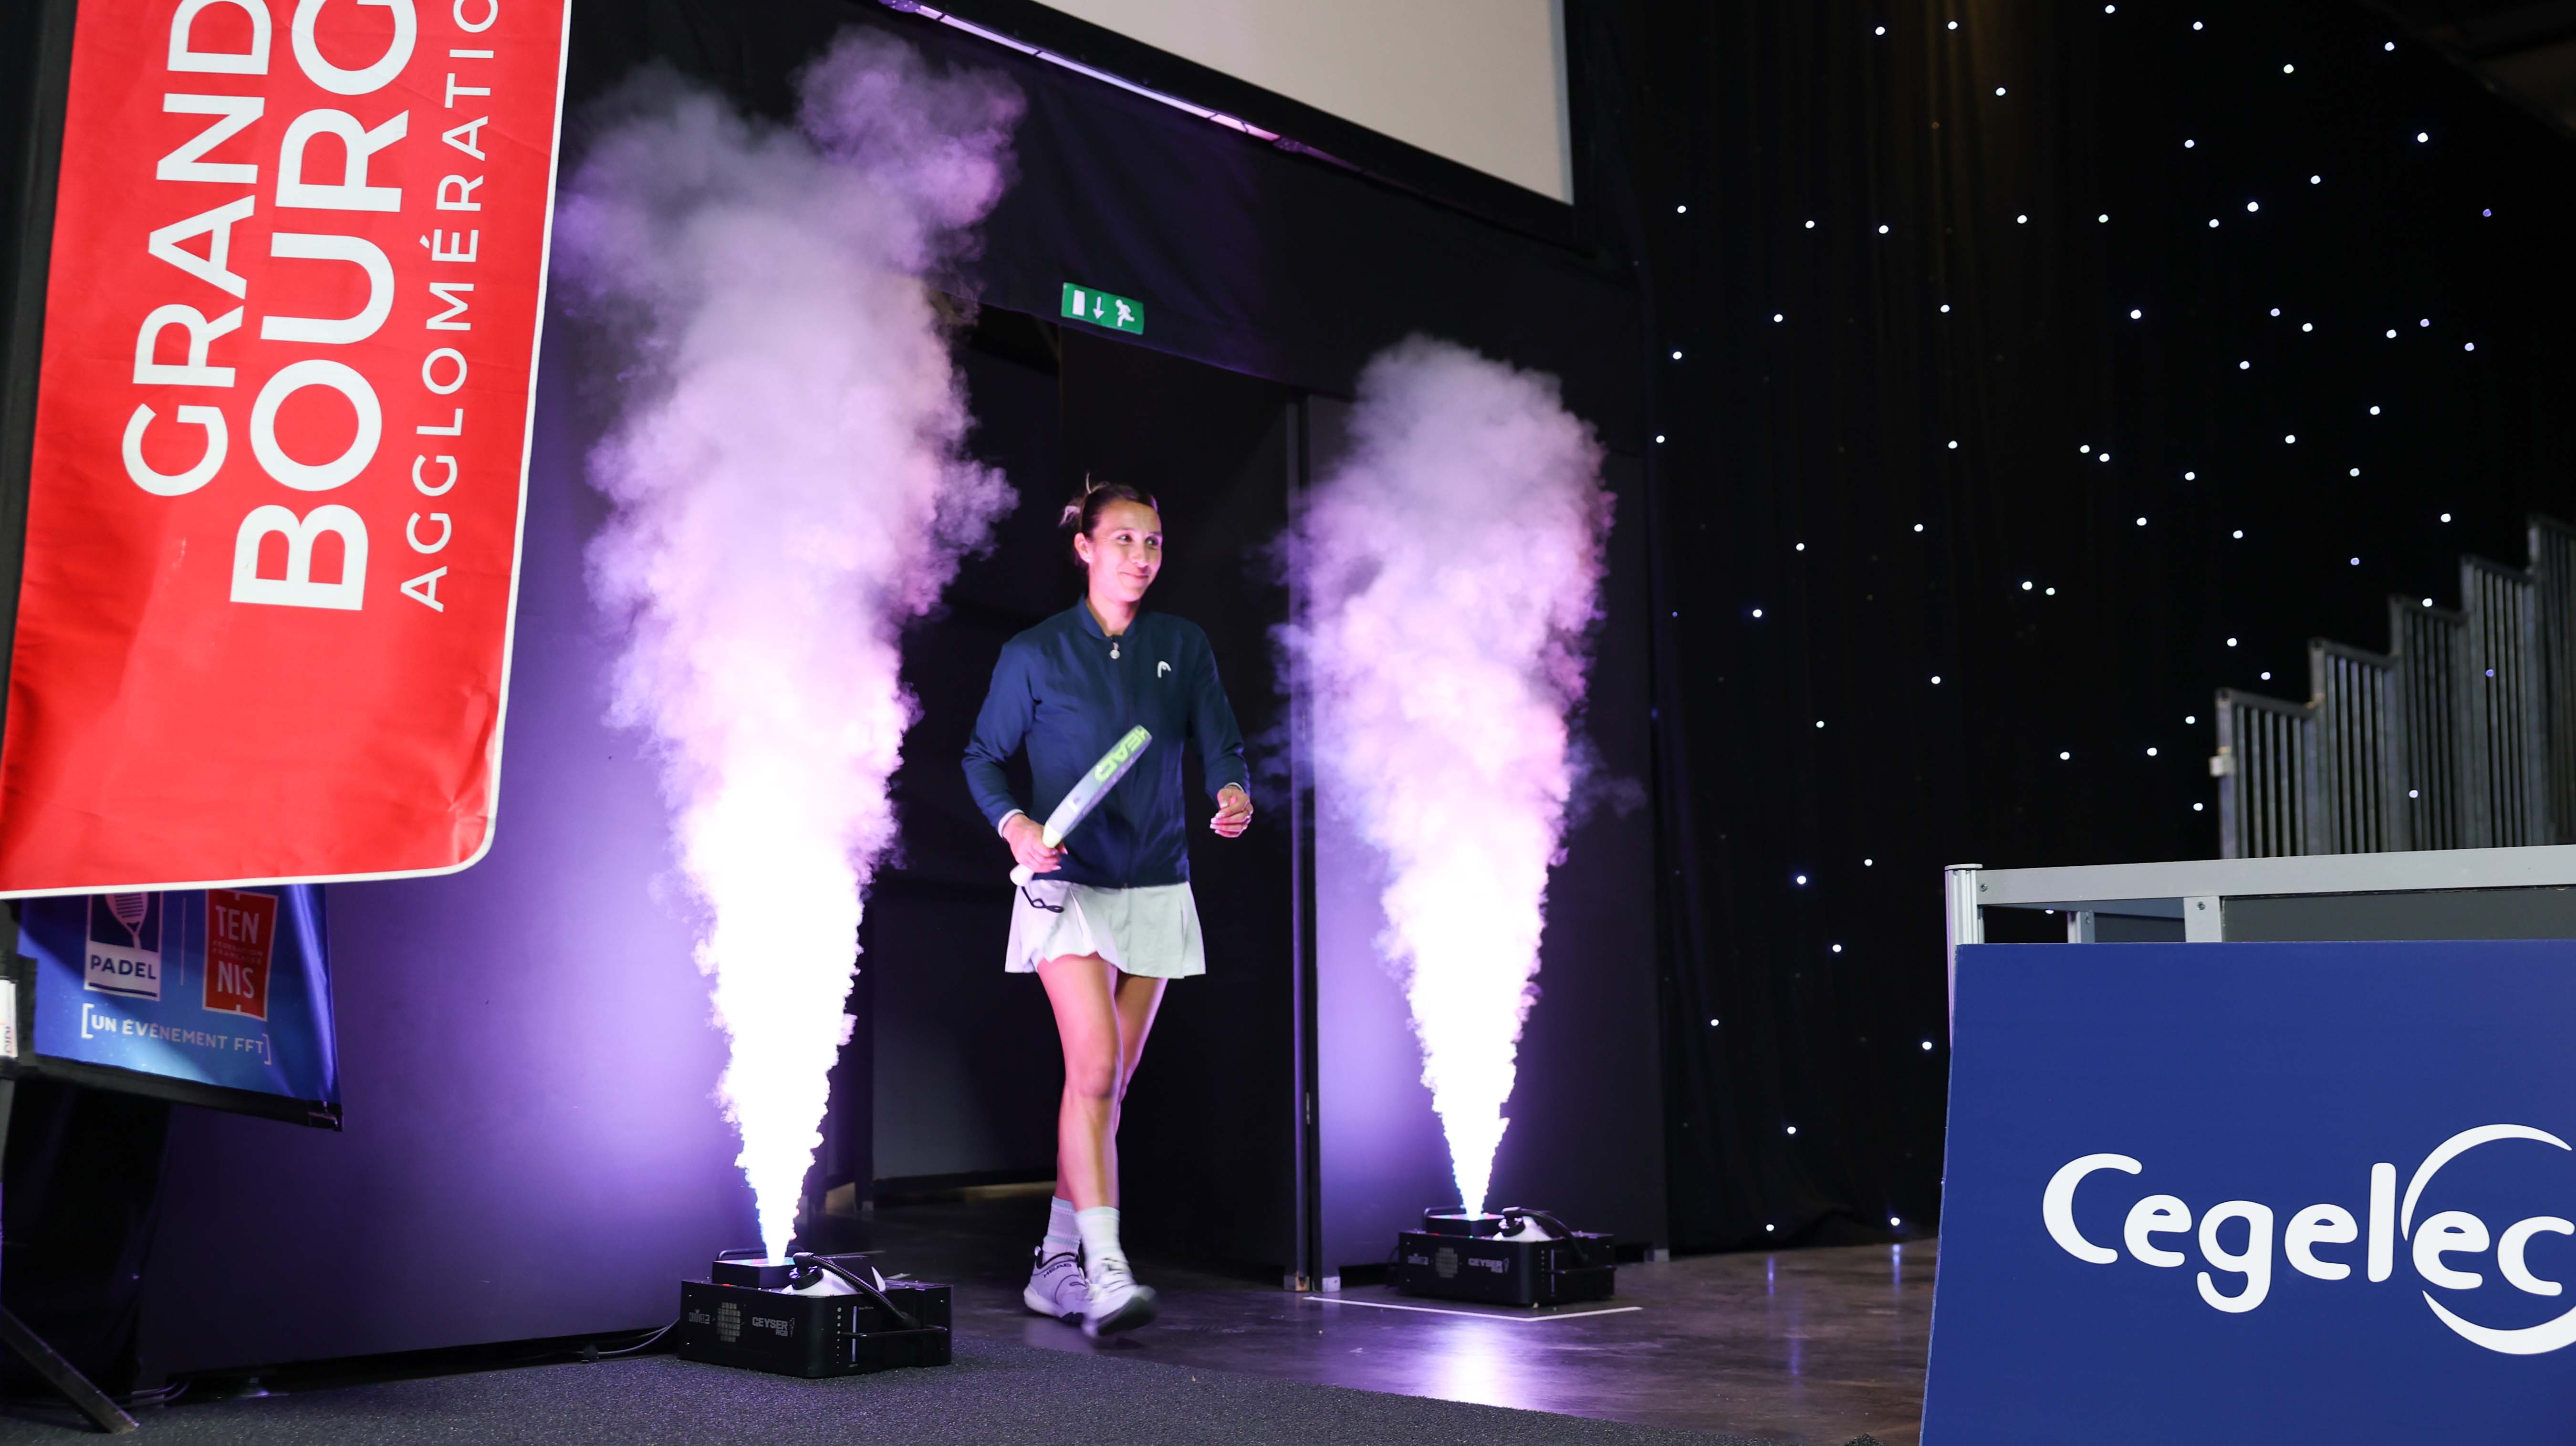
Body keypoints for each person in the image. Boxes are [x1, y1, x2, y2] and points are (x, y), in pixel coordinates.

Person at [961, 479, 1254, 1337]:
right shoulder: (1034, 652)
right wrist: (1017, 826)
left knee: (1112, 1084)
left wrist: (1233, 791)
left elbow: (1221, 740)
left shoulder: (1183, 645)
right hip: (1069, 890)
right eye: (1123, 539)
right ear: (1084, 548)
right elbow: (982, 758)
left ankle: (1054, 1261)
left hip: (1157, 885)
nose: (1141, 556)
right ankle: (1107, 1269)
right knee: (1093, 1071)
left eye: (1153, 542)